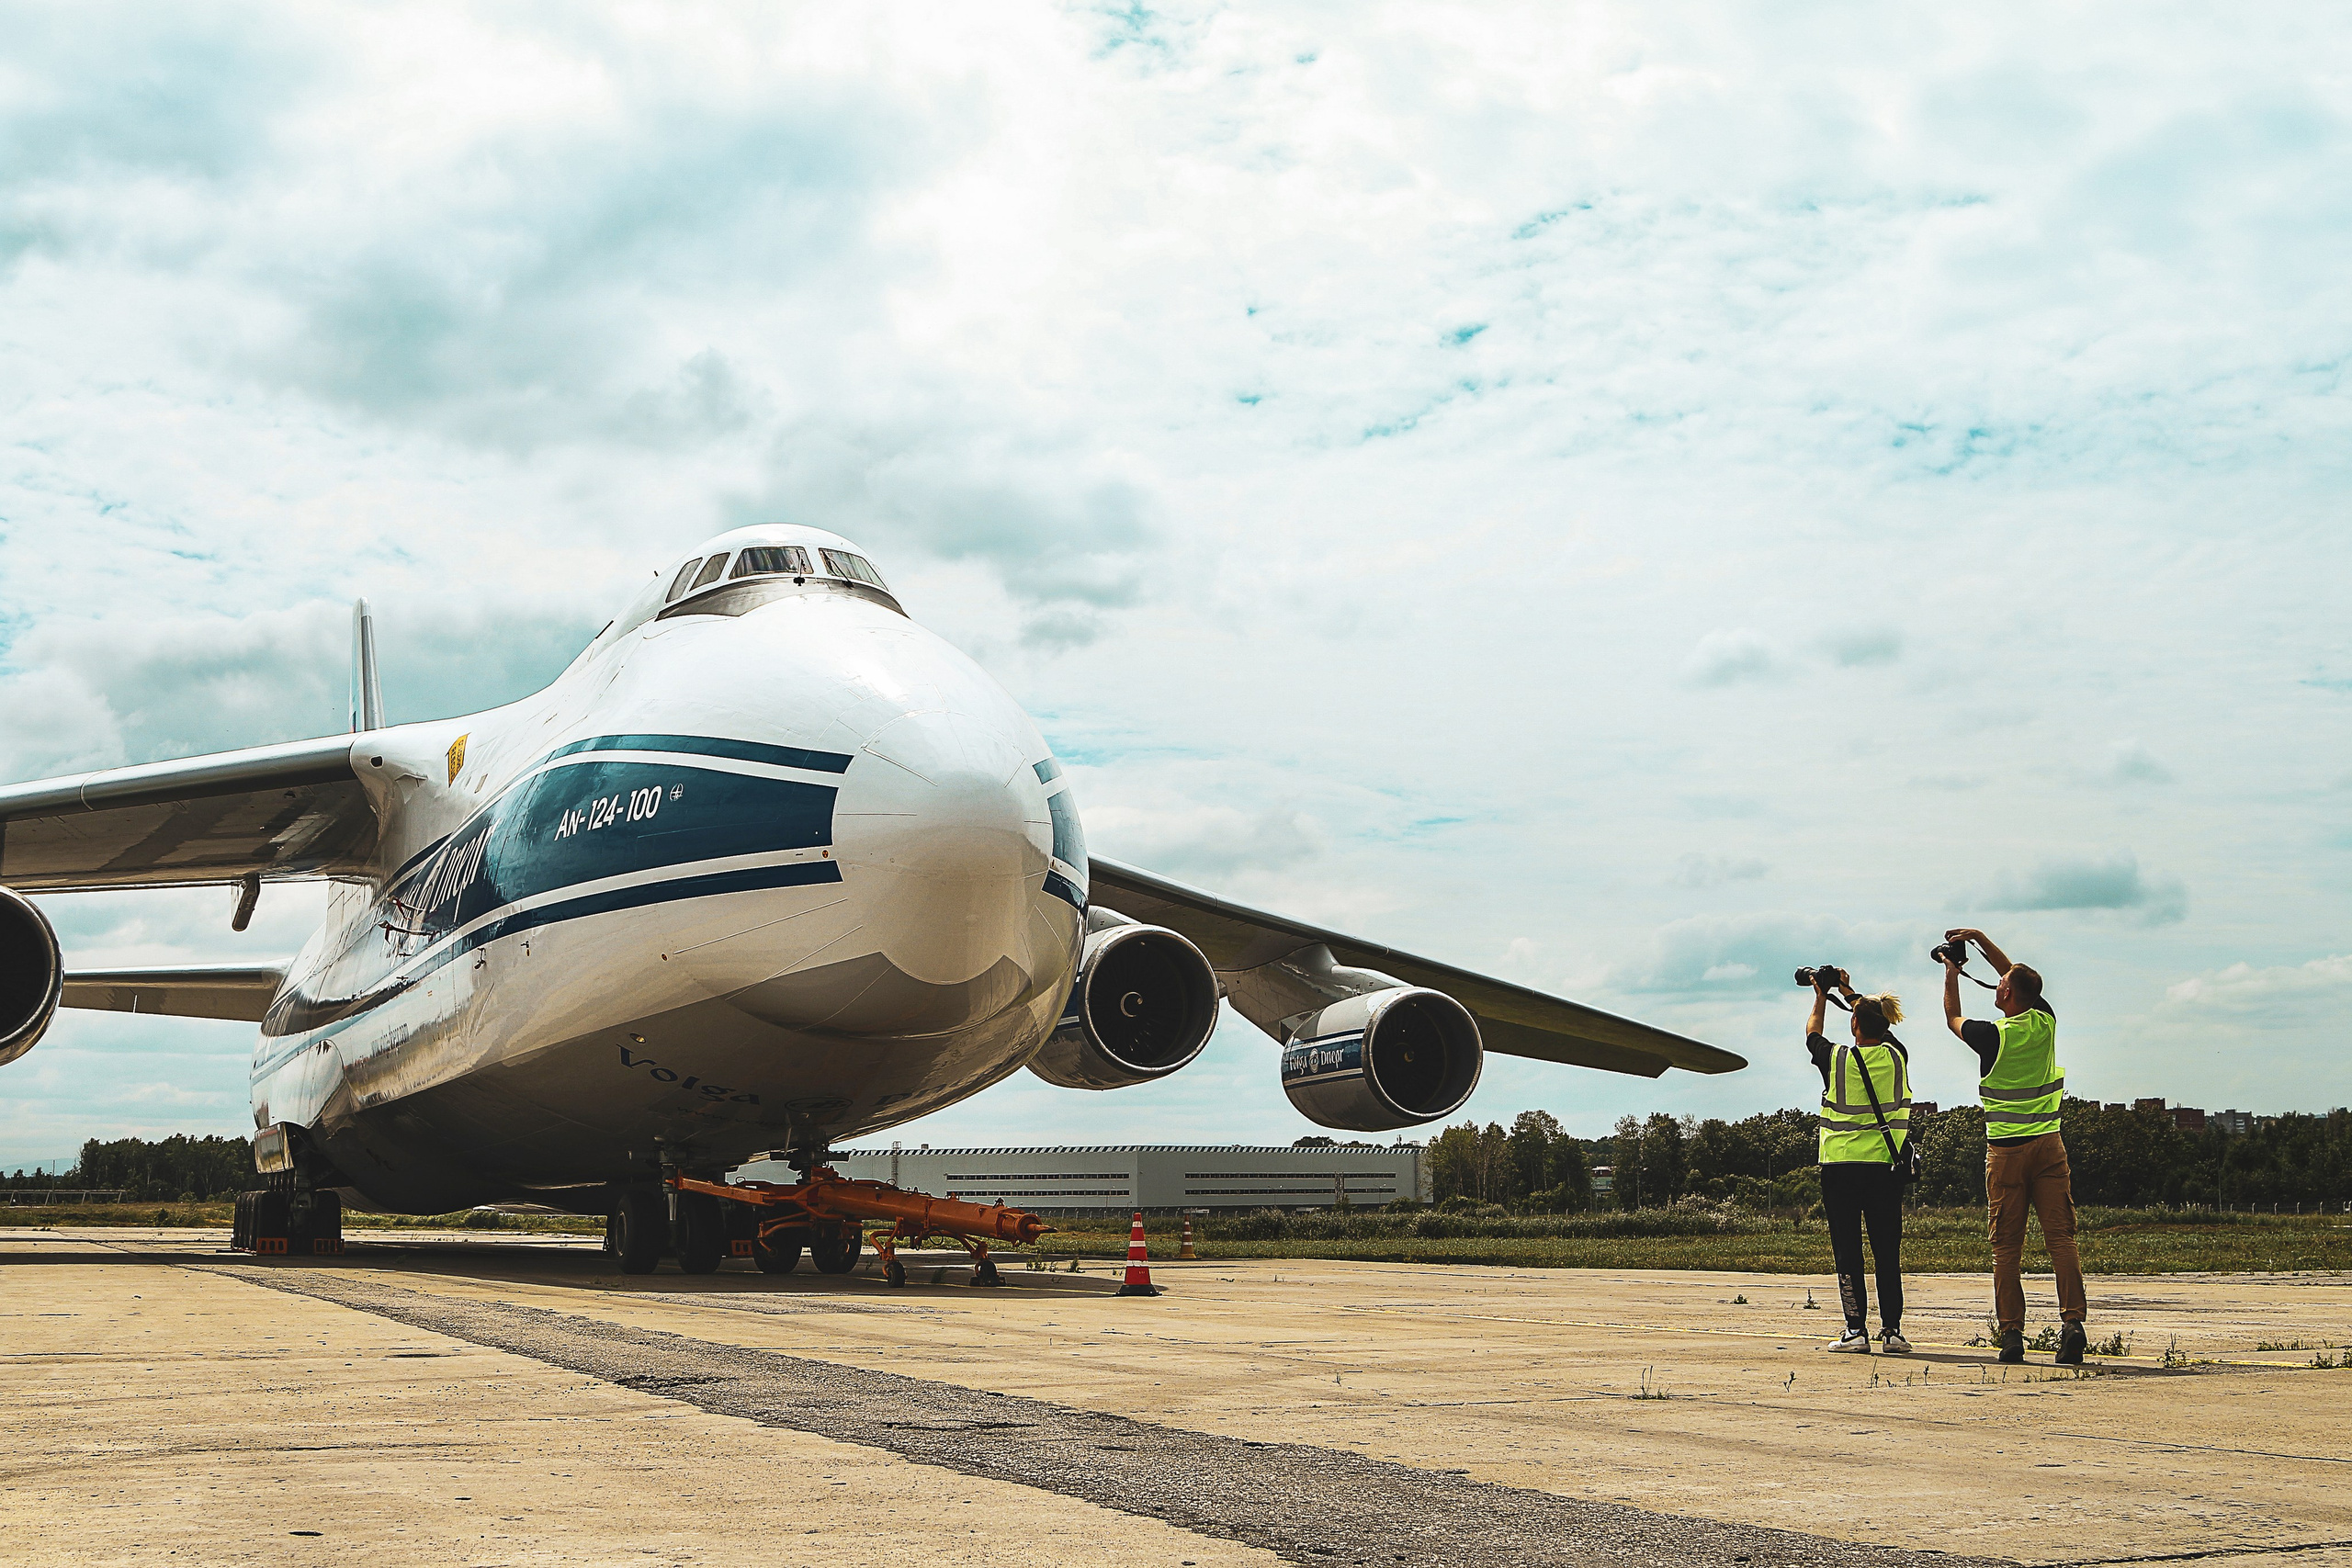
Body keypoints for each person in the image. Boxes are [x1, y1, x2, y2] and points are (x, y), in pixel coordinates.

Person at [1940, 927, 2086, 1366]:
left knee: (2007, 1249)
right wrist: (1981, 939)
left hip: (2006, 1153)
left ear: (2008, 995)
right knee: (2061, 1240)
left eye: (2003, 984)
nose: (1999, 982)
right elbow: (2016, 975)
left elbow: (1952, 1017)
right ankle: (2073, 1325)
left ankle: (2011, 1335)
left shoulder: (1993, 1036)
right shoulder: (2044, 1021)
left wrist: (1951, 970)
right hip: (2048, 1146)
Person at [1804, 967, 1912, 1355]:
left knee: (1848, 1251)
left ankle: (1856, 1331)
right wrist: (1851, 993)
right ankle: (1893, 1331)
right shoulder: (1897, 1056)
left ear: (1853, 1026)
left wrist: (1821, 995)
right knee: (1887, 1250)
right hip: (1885, 1168)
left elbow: (1812, 1034)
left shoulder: (1836, 1059)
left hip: (1841, 1169)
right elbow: (1880, 1028)